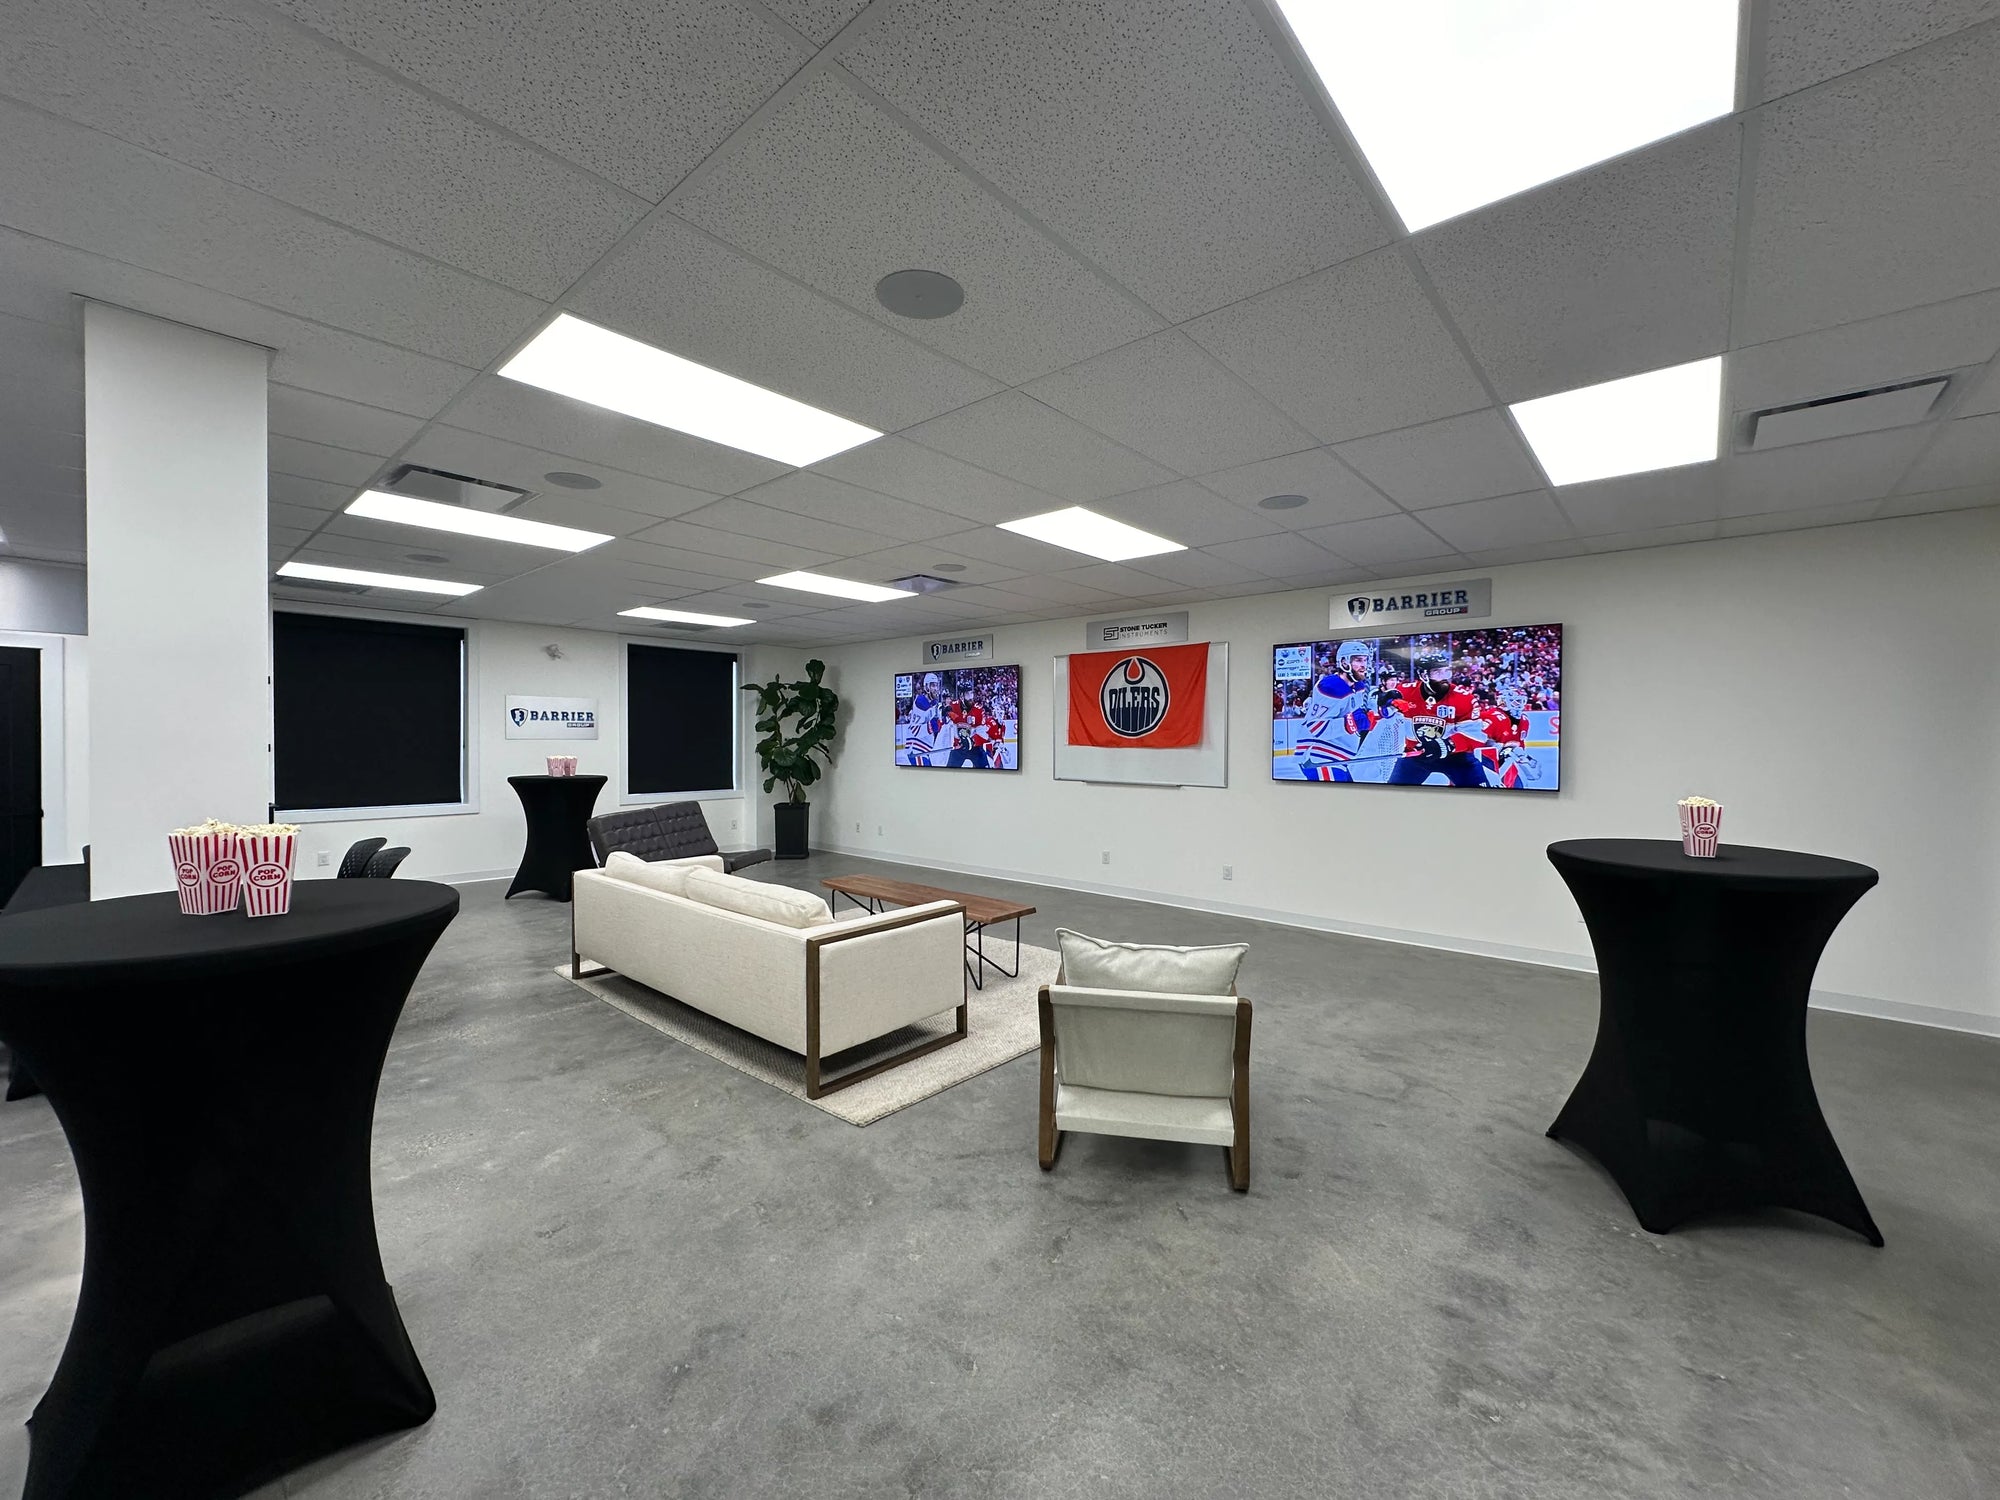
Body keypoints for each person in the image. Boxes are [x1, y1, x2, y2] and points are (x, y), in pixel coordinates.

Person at [1294, 640, 1399, 781]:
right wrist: (1353, 723)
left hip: (1339, 758)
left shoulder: (1359, 685)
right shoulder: (1331, 687)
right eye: (1358, 660)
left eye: (1366, 660)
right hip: (1319, 756)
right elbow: (1316, 727)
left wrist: (1386, 708)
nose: (1364, 665)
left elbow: (1363, 713)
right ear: (1344, 663)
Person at [1386, 652, 1490, 787]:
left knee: (1482, 799)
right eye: (1437, 672)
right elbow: (1386, 712)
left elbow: (1475, 736)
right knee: (1393, 796)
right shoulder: (1405, 692)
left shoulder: (1464, 698)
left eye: (1447, 671)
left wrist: (1446, 744)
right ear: (1424, 675)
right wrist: (1385, 705)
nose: (1444, 677)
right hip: (1417, 756)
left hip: (1457, 758)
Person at [944, 675, 1003, 769]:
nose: (971, 696)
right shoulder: (953, 706)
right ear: (961, 695)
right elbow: (947, 720)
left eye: (972, 693)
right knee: (949, 772)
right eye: (968, 693)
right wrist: (945, 713)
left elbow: (981, 731)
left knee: (986, 770)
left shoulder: (978, 710)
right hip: (959, 748)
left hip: (975, 748)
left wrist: (972, 740)